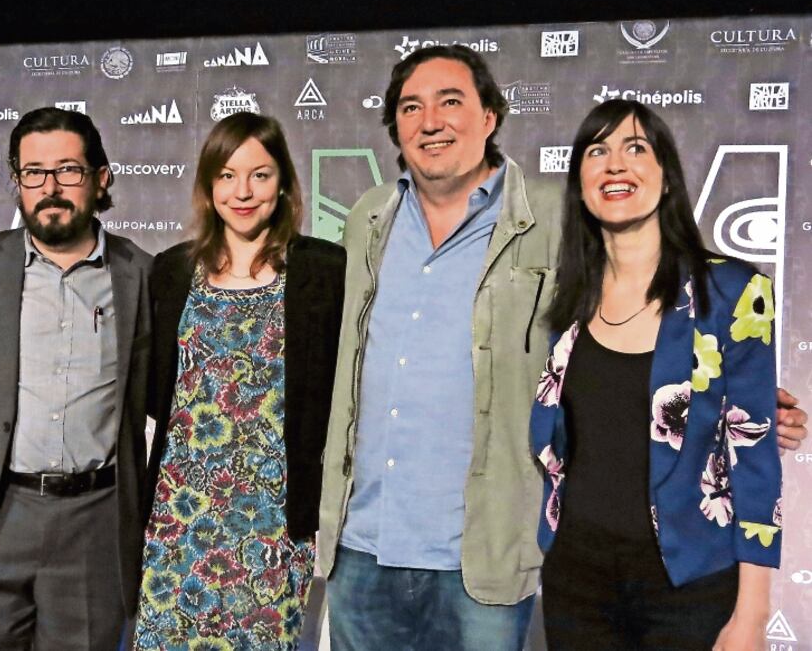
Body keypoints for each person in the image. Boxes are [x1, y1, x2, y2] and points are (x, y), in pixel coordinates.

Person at [316, 44, 808, 650]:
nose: (431, 120)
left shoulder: (552, 220)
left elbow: (680, 336)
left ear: (490, 117)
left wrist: (748, 405)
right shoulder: (368, 219)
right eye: (411, 107)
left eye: (451, 101)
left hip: (491, 557)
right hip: (373, 550)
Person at [532, 99, 781, 650]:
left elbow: (755, 460)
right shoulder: (566, 297)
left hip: (690, 585)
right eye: (597, 151)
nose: (615, 164)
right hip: (577, 580)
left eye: (635, 148)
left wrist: (752, 615)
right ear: (580, 183)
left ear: (666, 178)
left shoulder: (734, 293)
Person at [0, 107, 152, 650]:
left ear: (101, 179)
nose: (50, 188)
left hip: (93, 524)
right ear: (17, 182)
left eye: (68, 171)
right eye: (33, 172)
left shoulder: (143, 275)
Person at [135, 112, 344, 649]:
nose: (243, 191)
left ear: (284, 183)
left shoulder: (323, 269)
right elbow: (159, 390)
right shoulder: (172, 271)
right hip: (179, 516)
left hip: (272, 519)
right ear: (208, 186)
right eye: (227, 175)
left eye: (260, 174)